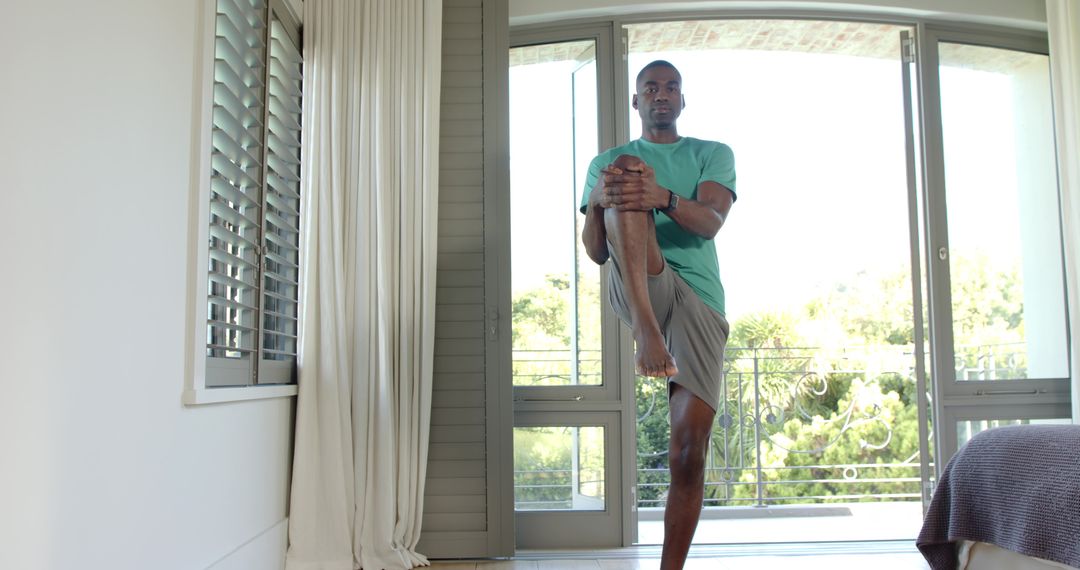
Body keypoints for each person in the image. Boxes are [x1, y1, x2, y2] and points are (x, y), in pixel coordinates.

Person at [579, 60, 736, 569]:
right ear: (637, 101)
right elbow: (597, 252)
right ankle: (648, 333)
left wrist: (661, 197)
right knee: (625, 169)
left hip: (698, 301)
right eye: (651, 87)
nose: (661, 95)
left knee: (688, 454)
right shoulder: (606, 161)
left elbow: (710, 223)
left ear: (683, 101)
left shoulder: (712, 154)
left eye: (671, 88)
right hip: (639, 284)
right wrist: (605, 200)